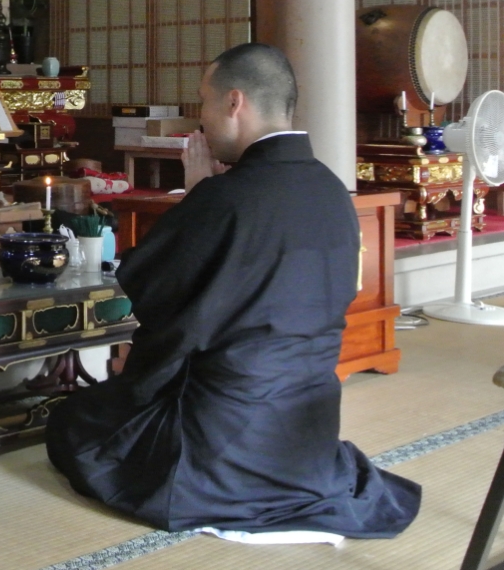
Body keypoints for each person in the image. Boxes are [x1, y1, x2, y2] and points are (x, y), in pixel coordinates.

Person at [46, 43, 421, 538]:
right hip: (307, 431)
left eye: (203, 102)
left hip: (220, 444)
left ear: (234, 103)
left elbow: (150, 285)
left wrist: (198, 191)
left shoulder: (225, 200)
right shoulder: (332, 190)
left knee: (72, 425)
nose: (199, 120)